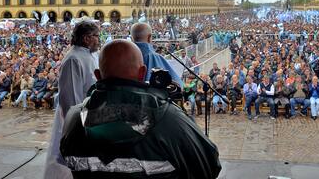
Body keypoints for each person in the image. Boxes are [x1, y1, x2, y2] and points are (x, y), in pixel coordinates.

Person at [60, 39, 221, 178]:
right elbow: (209, 165)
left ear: (98, 75)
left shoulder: (73, 118)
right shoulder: (168, 118)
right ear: (142, 72)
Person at [43, 20, 100, 179]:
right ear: (86, 38)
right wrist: (80, 125)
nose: (99, 39)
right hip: (77, 121)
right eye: (96, 35)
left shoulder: (88, 55)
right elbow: (71, 100)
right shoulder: (73, 59)